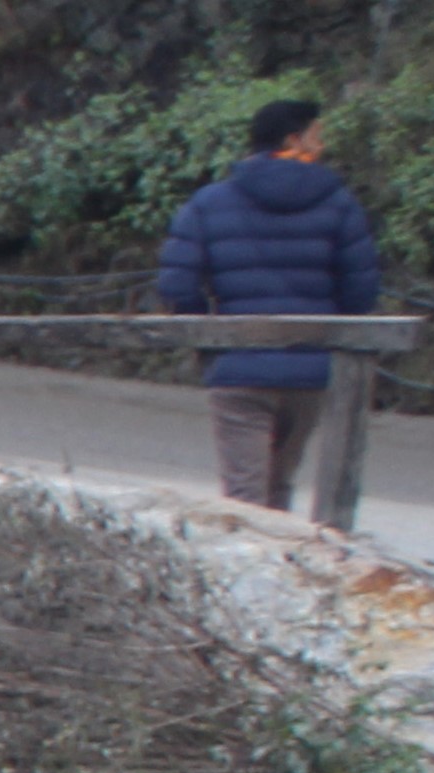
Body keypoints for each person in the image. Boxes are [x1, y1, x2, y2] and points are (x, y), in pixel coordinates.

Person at [160, 97, 384, 514]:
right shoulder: (339, 204)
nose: (323, 144)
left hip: (239, 367)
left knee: (244, 495)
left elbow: (177, 284)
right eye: (317, 134)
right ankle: (283, 566)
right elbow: (361, 292)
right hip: (311, 368)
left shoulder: (209, 203)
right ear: (293, 139)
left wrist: (210, 342)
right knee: (280, 485)